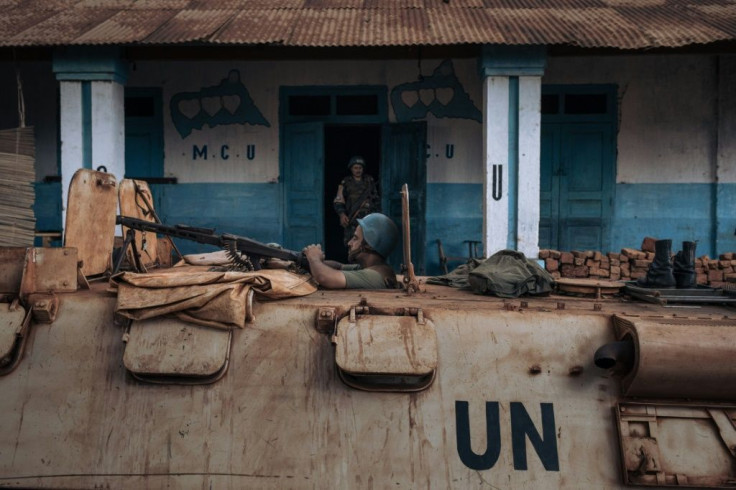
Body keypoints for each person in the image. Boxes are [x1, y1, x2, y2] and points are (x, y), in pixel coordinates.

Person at [303, 213, 398, 289]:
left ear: (369, 245)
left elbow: (324, 277)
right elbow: (339, 267)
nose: (349, 243)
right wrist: (307, 261)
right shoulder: (368, 267)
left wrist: (314, 259)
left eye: (355, 238)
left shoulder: (374, 276)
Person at [333, 156, 381, 247]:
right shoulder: (346, 182)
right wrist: (342, 215)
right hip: (352, 219)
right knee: (352, 243)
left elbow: (376, 200)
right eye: (355, 168)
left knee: (368, 244)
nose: (358, 170)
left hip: (368, 219)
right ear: (351, 169)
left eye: (360, 168)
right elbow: (339, 200)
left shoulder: (369, 181)